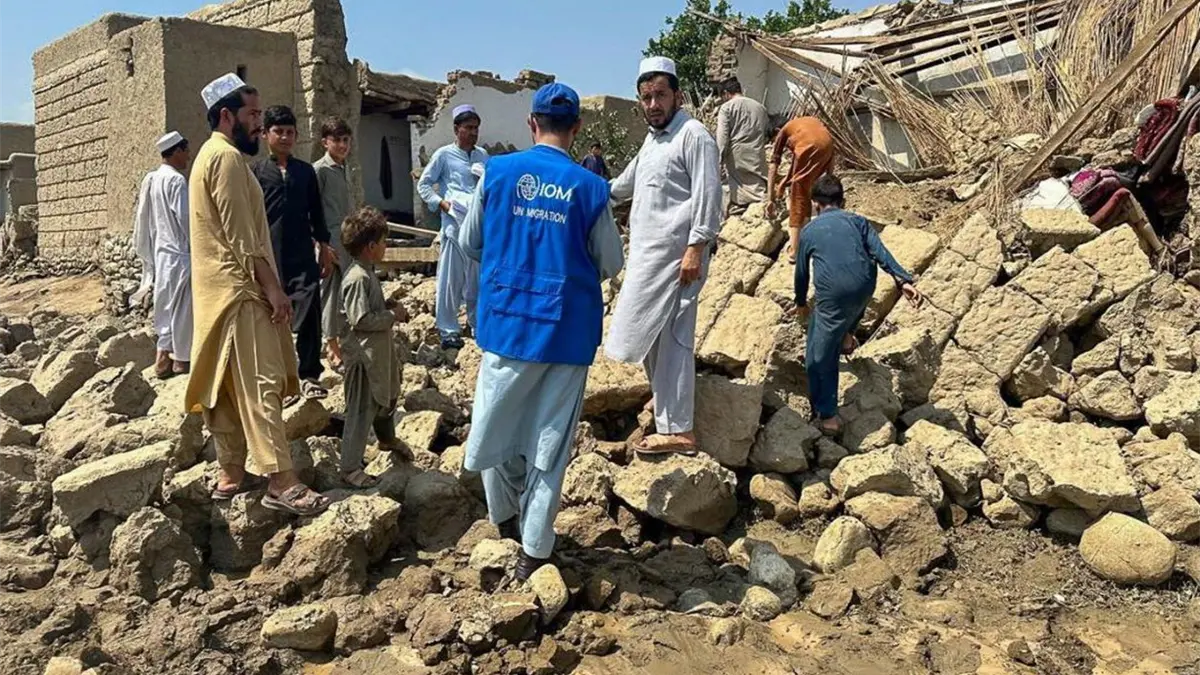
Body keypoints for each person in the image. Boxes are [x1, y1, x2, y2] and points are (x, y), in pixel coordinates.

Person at [459, 82, 624, 579]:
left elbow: (470, 244)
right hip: (566, 334)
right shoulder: (591, 188)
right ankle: (534, 549)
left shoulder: (497, 173)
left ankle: (504, 519)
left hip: (507, 325)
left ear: (532, 124)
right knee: (550, 445)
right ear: (575, 129)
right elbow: (611, 262)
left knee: (496, 429)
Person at [187, 73, 330, 516]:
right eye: (252, 115)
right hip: (241, 294)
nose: (258, 123)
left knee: (227, 389)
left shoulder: (209, 156)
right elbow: (243, 238)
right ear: (226, 116)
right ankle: (281, 480)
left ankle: (230, 474)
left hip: (216, 295)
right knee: (261, 385)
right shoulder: (227, 160)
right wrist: (274, 291)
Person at [607, 56, 721, 456]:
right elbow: (623, 186)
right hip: (646, 256)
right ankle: (664, 399)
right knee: (648, 333)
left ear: (677, 95)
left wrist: (696, 247)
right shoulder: (654, 139)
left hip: (678, 259)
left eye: (660, 95)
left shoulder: (694, 135)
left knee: (673, 337)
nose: (653, 104)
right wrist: (586, 191)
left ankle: (680, 430)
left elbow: (709, 196)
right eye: (646, 97)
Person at [794, 175, 923, 436]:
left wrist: (800, 303)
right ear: (842, 201)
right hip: (865, 288)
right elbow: (880, 251)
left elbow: (801, 273)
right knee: (854, 302)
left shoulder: (809, 230)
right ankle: (848, 335)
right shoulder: (858, 221)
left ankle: (828, 414)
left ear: (815, 204)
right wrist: (903, 281)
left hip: (833, 295)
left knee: (818, 356)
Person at [251, 105, 334, 399]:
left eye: (289, 132)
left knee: (310, 309)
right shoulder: (256, 173)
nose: (285, 137)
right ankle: (278, 378)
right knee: (270, 315)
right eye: (278, 132)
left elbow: (317, 213)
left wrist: (324, 247)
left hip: (302, 253)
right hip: (269, 258)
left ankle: (310, 374)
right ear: (265, 135)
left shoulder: (306, 172)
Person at [338, 206, 411, 488]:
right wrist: (392, 315)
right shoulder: (358, 278)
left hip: (377, 353)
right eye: (383, 242)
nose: (386, 246)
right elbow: (361, 319)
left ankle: (386, 438)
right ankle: (350, 468)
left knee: (387, 396)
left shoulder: (366, 272)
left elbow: (370, 309)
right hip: (363, 359)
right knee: (361, 410)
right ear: (370, 247)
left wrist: (387, 305)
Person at [417, 104, 489, 349]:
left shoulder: (482, 156)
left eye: (476, 128)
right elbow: (424, 185)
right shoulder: (444, 155)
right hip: (454, 226)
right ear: (456, 129)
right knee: (451, 280)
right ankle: (448, 330)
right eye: (468, 128)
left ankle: (477, 326)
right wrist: (442, 204)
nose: (473, 133)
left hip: (477, 228)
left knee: (477, 281)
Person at [131, 131, 193, 380]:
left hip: (162, 253)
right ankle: (180, 360)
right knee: (183, 308)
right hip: (180, 253)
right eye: (186, 151)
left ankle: (162, 358)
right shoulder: (176, 181)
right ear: (177, 151)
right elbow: (185, 218)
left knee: (165, 306)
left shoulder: (153, 179)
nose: (188, 156)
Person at [314, 117, 355, 370]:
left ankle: (343, 339)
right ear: (324, 142)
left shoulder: (345, 168)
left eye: (345, 140)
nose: (341, 145)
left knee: (345, 292)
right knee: (330, 292)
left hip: (347, 239)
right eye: (336, 140)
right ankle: (331, 346)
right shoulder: (320, 170)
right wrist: (321, 245)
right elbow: (311, 210)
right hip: (329, 241)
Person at [768, 116, 834, 263]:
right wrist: (783, 183)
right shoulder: (802, 125)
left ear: (777, 131)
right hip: (828, 145)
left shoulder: (783, 132)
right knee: (808, 189)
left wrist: (770, 199)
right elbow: (797, 165)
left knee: (797, 195)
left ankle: (794, 250)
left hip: (810, 146)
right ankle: (810, 231)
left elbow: (773, 167)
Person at [716, 77, 770, 215]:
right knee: (757, 185)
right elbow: (765, 132)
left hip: (736, 155)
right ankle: (762, 210)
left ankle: (738, 214)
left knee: (736, 189)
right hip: (757, 152)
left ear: (726, 93)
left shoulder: (726, 108)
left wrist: (719, 159)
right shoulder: (760, 107)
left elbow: (722, 137)